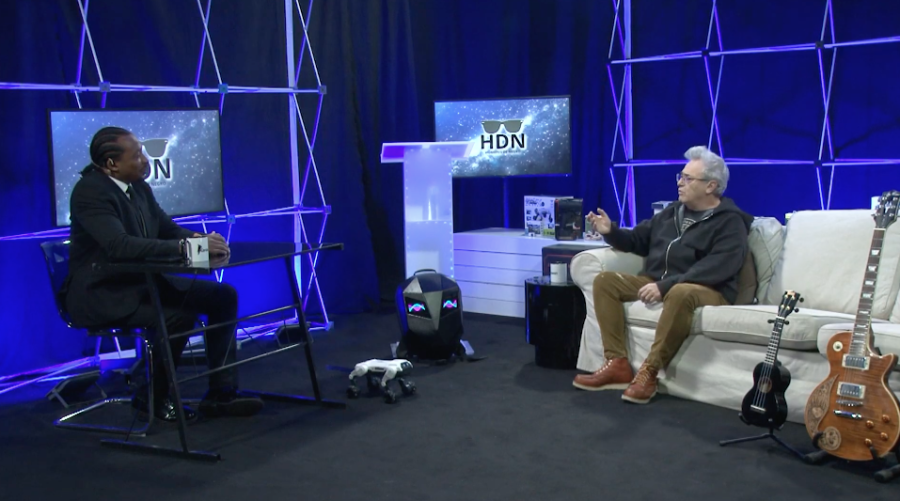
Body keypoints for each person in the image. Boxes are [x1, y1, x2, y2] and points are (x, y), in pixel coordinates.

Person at [63, 126, 263, 421]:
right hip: (104, 294)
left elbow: (166, 229)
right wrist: (186, 248)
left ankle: (222, 393)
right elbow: (119, 245)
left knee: (223, 296)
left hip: (141, 284)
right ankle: (152, 397)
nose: (145, 161)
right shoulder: (90, 192)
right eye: (137, 155)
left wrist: (202, 240)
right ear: (111, 164)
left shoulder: (138, 187)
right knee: (177, 316)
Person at [572, 146, 753, 404]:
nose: (680, 182)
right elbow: (637, 240)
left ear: (711, 186)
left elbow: (718, 266)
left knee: (680, 291)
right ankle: (617, 363)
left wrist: (666, 286)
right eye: (680, 176)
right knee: (606, 281)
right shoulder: (671, 213)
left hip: (709, 289)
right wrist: (610, 231)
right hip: (661, 281)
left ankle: (650, 371)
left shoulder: (730, 222)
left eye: (688, 178)